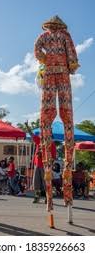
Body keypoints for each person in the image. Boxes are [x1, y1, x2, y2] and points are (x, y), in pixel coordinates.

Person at [34, 15, 80, 210]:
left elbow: (37, 50)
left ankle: (54, 194)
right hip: (59, 72)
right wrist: (71, 64)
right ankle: (57, 192)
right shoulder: (63, 35)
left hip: (54, 71)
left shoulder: (46, 36)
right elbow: (72, 54)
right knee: (60, 113)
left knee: (52, 115)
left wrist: (45, 59)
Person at [25, 121, 56, 203]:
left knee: (46, 183)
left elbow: (53, 157)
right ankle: (37, 197)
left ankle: (48, 198)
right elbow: (32, 135)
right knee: (36, 182)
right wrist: (27, 126)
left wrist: (49, 166)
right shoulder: (39, 141)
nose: (42, 134)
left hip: (45, 166)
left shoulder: (51, 144)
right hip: (37, 165)